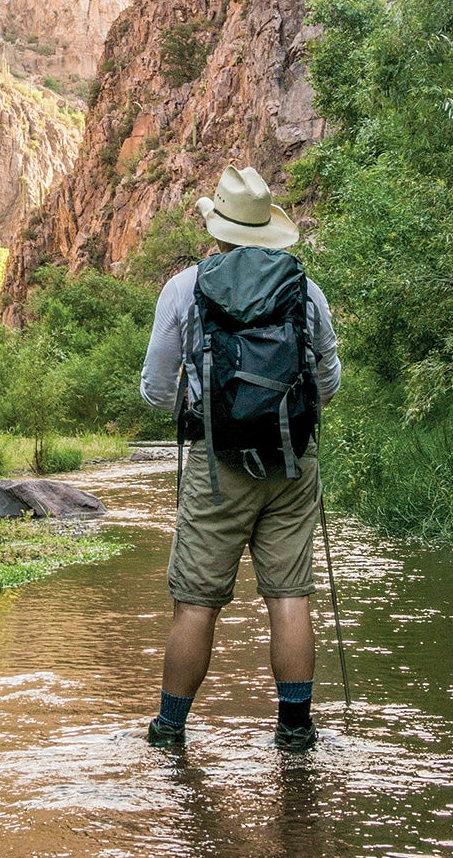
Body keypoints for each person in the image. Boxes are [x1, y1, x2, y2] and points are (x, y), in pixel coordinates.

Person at [139, 166, 341, 754]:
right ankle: (296, 731)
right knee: (289, 596)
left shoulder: (185, 287)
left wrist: (208, 409)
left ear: (217, 229)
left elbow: (155, 387)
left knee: (196, 603)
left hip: (216, 467)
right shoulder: (305, 289)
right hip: (292, 460)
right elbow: (326, 378)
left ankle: (170, 730)